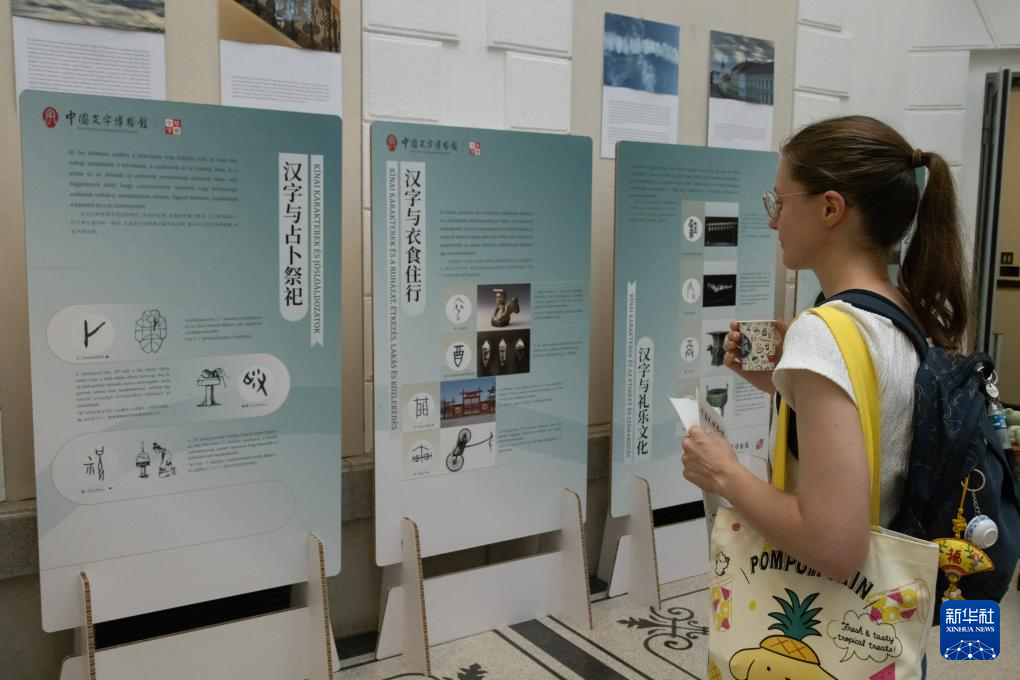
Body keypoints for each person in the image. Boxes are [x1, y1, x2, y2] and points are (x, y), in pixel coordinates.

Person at [681, 115, 968, 585]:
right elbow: (881, 428)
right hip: (888, 607)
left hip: (834, 614)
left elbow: (834, 547)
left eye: (780, 201)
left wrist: (723, 473)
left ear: (830, 208)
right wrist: (788, 383)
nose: (773, 219)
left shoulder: (823, 333)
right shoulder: (903, 309)